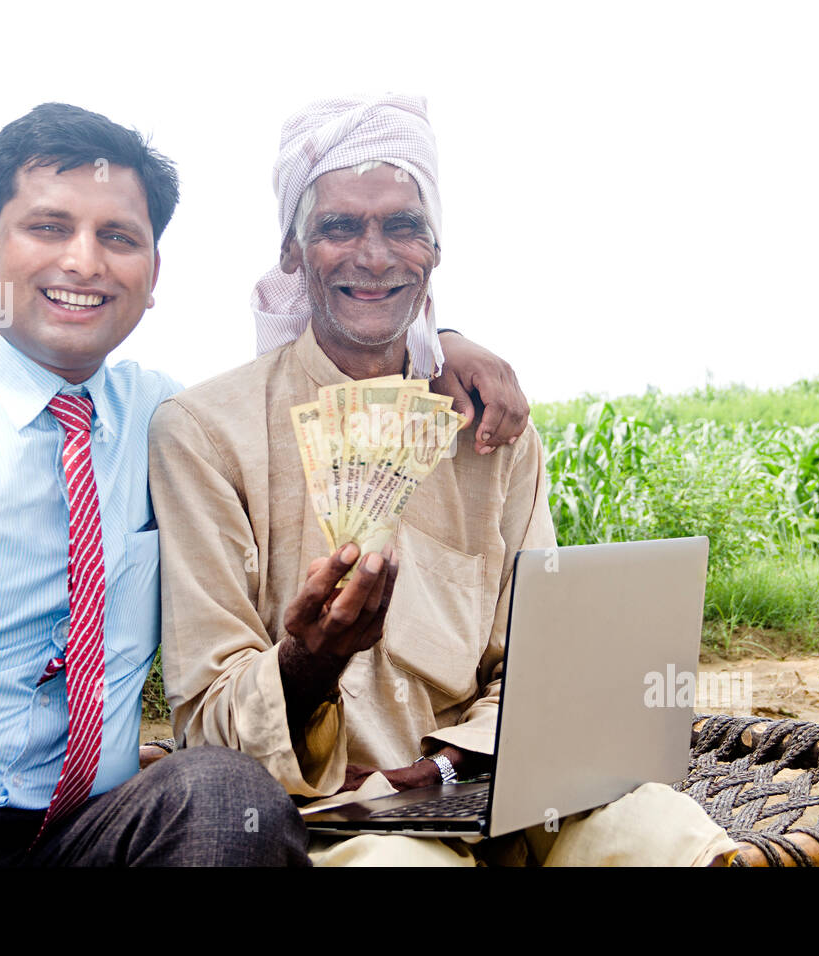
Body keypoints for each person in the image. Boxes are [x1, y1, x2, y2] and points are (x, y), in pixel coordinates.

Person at [0, 102, 528, 868]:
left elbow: (347, 344)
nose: (85, 263)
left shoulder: (160, 416)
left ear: (153, 274)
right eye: (50, 227)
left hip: (82, 836)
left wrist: (442, 339)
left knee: (229, 796)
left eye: (118, 238)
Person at [148, 95, 738, 866]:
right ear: (292, 252)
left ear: (435, 249)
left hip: (492, 782)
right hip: (332, 811)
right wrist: (311, 662)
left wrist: (450, 765)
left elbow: (535, 667)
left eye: (402, 225)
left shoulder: (492, 431)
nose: (374, 254)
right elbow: (207, 716)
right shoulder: (205, 433)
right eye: (338, 226)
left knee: (666, 834)